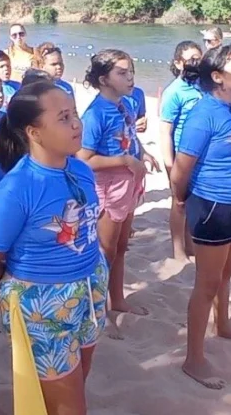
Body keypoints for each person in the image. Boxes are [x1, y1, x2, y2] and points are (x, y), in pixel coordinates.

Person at [0, 81, 108, 415]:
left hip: (90, 287)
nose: (76, 124)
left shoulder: (80, 169)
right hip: (44, 302)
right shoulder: (15, 192)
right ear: (34, 132)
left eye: (74, 113)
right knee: (68, 407)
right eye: (63, 118)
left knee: (75, 382)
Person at [170, 44, 231, 390]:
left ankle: (223, 325)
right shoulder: (203, 115)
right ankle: (193, 359)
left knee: (227, 270)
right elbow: (181, 169)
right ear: (218, 77)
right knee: (206, 283)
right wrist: (181, 200)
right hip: (212, 205)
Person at [78, 50, 160, 336]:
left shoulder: (125, 104)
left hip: (128, 184)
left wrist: (142, 153)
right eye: (122, 73)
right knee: (105, 251)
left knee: (121, 246)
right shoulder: (95, 114)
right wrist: (124, 160)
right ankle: (98, 310)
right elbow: (84, 159)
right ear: (104, 79)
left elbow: (129, 136)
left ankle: (118, 299)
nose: (130, 78)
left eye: (131, 71)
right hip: (108, 186)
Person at [160, 41, 203, 261]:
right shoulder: (174, 92)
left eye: (199, 58)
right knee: (179, 203)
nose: (196, 63)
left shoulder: (204, 86)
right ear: (178, 63)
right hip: (181, 156)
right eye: (191, 59)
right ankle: (178, 250)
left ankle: (191, 245)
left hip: (201, 157)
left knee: (193, 203)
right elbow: (165, 132)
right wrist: (170, 166)